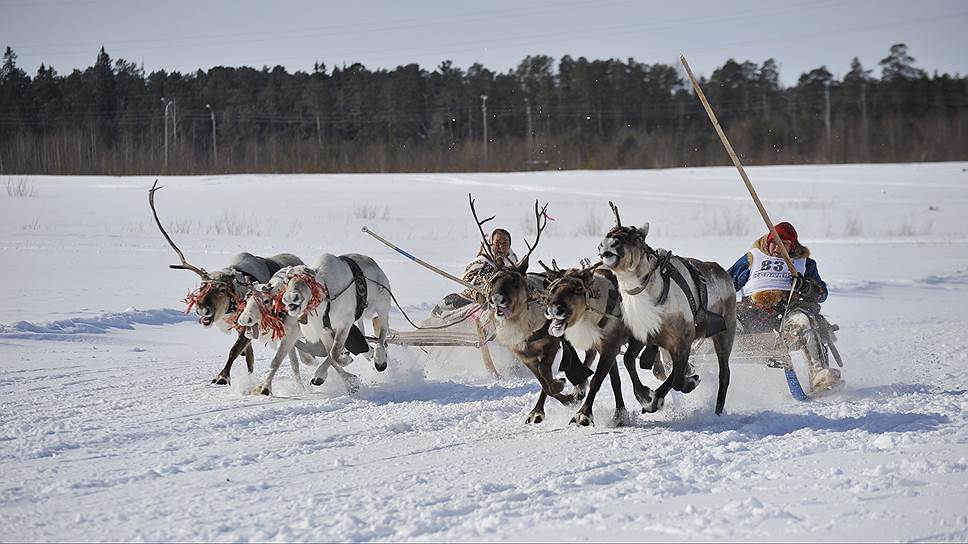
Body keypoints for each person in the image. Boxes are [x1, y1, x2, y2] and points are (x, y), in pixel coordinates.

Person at [727, 221, 842, 391]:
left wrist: (806, 287)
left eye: (784, 244)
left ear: (792, 246)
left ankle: (818, 374)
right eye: (774, 241)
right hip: (752, 312)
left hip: (787, 315)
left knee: (804, 322)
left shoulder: (804, 264)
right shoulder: (752, 258)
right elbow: (726, 283)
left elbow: (822, 294)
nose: (777, 247)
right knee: (726, 320)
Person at [431, 228, 518, 318]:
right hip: (477, 300)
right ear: (491, 243)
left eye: (505, 243)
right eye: (497, 242)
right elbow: (470, 278)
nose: (501, 246)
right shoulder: (483, 261)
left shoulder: (513, 264)